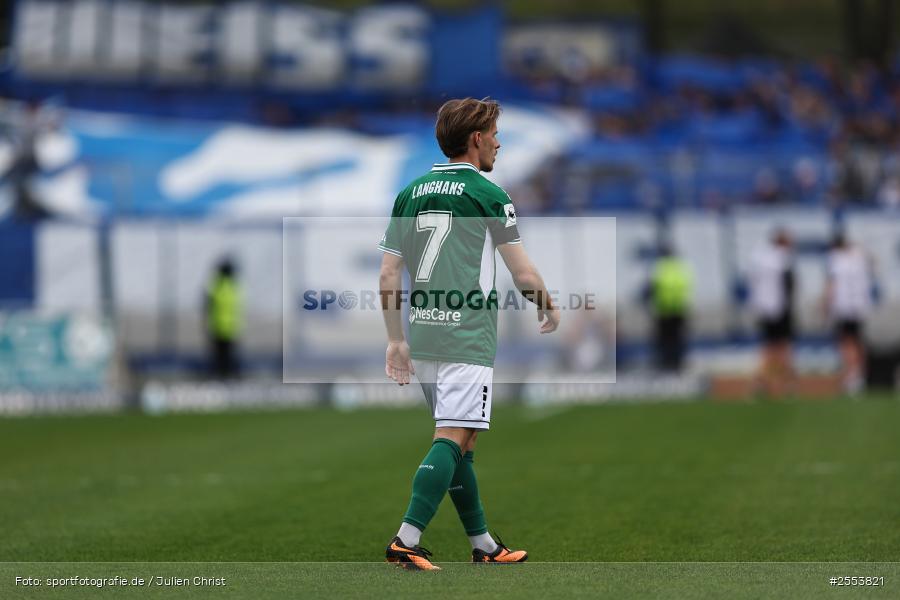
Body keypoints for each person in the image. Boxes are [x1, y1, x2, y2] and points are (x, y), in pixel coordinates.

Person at [378, 97, 560, 570]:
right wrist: (548, 304)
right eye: (495, 134)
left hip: (423, 330)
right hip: (468, 331)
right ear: (476, 139)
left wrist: (396, 339)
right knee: (453, 435)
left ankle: (483, 545)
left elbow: (387, 275)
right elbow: (522, 275)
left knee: (463, 442)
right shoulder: (488, 193)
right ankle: (406, 538)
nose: (499, 143)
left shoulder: (410, 192)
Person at [823, 232, 873, 395]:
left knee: (847, 343)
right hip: (859, 306)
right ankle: (859, 376)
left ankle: (851, 377)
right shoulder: (859, 258)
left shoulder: (836, 260)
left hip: (844, 307)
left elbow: (832, 285)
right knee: (858, 343)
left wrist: (826, 304)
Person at [748, 228, 795, 396]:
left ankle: (762, 381)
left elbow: (753, 283)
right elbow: (789, 286)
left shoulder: (760, 257)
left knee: (768, 348)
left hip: (764, 309)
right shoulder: (782, 258)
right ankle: (783, 383)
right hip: (780, 308)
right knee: (783, 348)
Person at [649, 243, 693, 372]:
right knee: (678, 338)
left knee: (664, 339)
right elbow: (687, 287)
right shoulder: (682, 267)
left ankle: (665, 364)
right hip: (679, 309)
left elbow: (653, 287)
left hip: (664, 310)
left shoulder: (659, 268)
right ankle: (678, 364)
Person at [205, 259, 242, 379]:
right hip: (231, 326)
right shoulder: (235, 286)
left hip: (218, 325)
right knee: (229, 356)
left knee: (219, 356)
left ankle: (220, 376)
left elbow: (208, 304)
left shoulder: (215, 286)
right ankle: (230, 377)